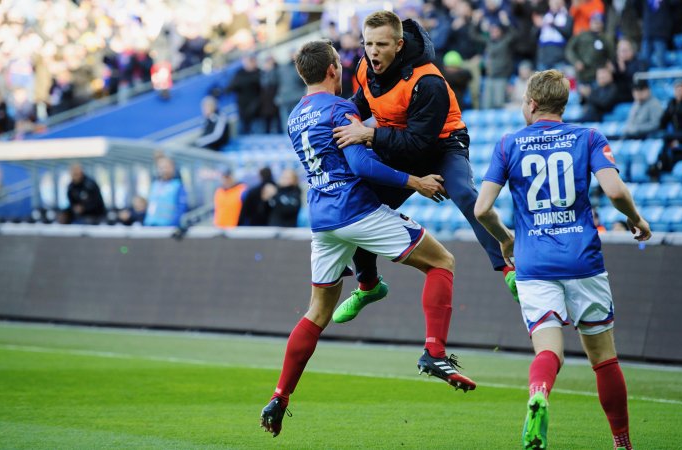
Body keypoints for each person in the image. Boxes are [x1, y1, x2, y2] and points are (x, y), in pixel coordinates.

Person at [260, 40, 477, 438]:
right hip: (356, 210)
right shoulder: (340, 108)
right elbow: (359, 161)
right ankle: (434, 351)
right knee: (441, 262)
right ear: (331, 70)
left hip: (322, 221)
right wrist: (415, 180)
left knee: (317, 313)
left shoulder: (294, 117)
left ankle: (280, 395)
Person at [473, 69, 651, 450]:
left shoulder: (508, 144)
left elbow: (482, 208)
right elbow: (616, 192)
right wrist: (635, 219)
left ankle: (538, 393)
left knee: (548, 352)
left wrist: (507, 241)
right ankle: (622, 443)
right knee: (604, 358)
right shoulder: (588, 137)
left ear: (532, 104)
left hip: (534, 265)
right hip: (582, 261)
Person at [330, 11, 516, 326]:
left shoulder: (427, 81)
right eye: (368, 44)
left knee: (464, 193)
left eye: (381, 44)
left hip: (442, 145)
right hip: (398, 142)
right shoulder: (364, 67)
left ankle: (509, 268)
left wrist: (370, 134)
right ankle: (369, 286)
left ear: (399, 45)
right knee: (359, 205)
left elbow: (419, 145)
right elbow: (364, 102)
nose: (373, 51)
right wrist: (333, 116)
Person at [144, 157, 187, 227]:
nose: (164, 170)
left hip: (167, 226)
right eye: (161, 167)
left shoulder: (177, 185)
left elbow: (181, 208)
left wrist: (173, 224)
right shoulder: (154, 185)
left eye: (166, 167)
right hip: (150, 224)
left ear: (173, 168)